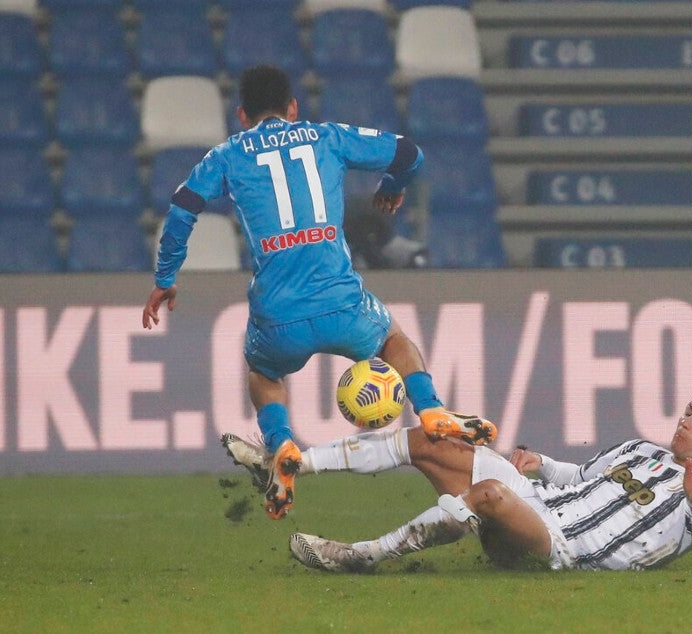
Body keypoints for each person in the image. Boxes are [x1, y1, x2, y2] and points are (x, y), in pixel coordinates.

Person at [141, 65, 497, 521]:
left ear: (242, 115)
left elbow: (182, 209)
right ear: (293, 108)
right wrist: (392, 185)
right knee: (394, 341)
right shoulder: (326, 136)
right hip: (341, 301)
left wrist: (166, 277)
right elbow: (410, 154)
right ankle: (429, 409)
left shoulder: (226, 154)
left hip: (277, 313)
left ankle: (280, 443)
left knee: (263, 372)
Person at [224, 389, 692, 572]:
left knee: (488, 496)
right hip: (538, 499)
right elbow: (582, 477)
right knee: (434, 439)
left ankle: (361, 556)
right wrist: (541, 461)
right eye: (687, 412)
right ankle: (292, 464)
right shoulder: (640, 449)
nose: (684, 422)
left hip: (558, 547)